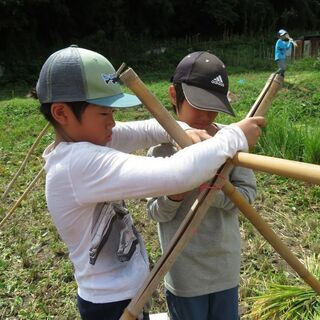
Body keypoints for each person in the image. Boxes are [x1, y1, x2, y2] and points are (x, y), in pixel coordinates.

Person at [36, 45, 264, 320]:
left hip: (127, 294)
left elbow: (143, 129)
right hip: (109, 306)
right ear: (62, 113)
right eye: (104, 114)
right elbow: (177, 174)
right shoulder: (78, 163)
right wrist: (235, 136)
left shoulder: (87, 137)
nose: (113, 123)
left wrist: (186, 130)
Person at [147, 51, 258, 320]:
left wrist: (212, 187)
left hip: (224, 266)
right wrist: (177, 193)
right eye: (199, 105)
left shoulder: (230, 143)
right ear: (174, 96)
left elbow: (246, 197)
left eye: (214, 107)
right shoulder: (160, 151)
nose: (207, 115)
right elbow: (155, 213)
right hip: (183, 270)